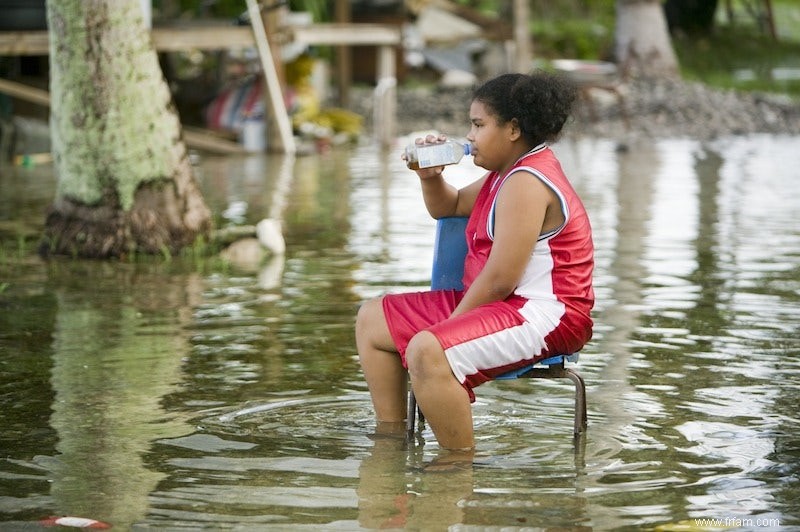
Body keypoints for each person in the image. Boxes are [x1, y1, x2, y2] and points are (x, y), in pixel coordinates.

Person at [355, 71, 595, 452]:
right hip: (503, 304)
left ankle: (456, 470)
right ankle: (390, 444)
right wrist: (429, 177)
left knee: (427, 349)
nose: (468, 136)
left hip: (546, 314)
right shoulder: (505, 174)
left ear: (513, 129)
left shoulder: (527, 182)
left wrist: (446, 331)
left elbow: (501, 278)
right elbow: (448, 207)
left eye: (478, 124)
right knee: (372, 319)